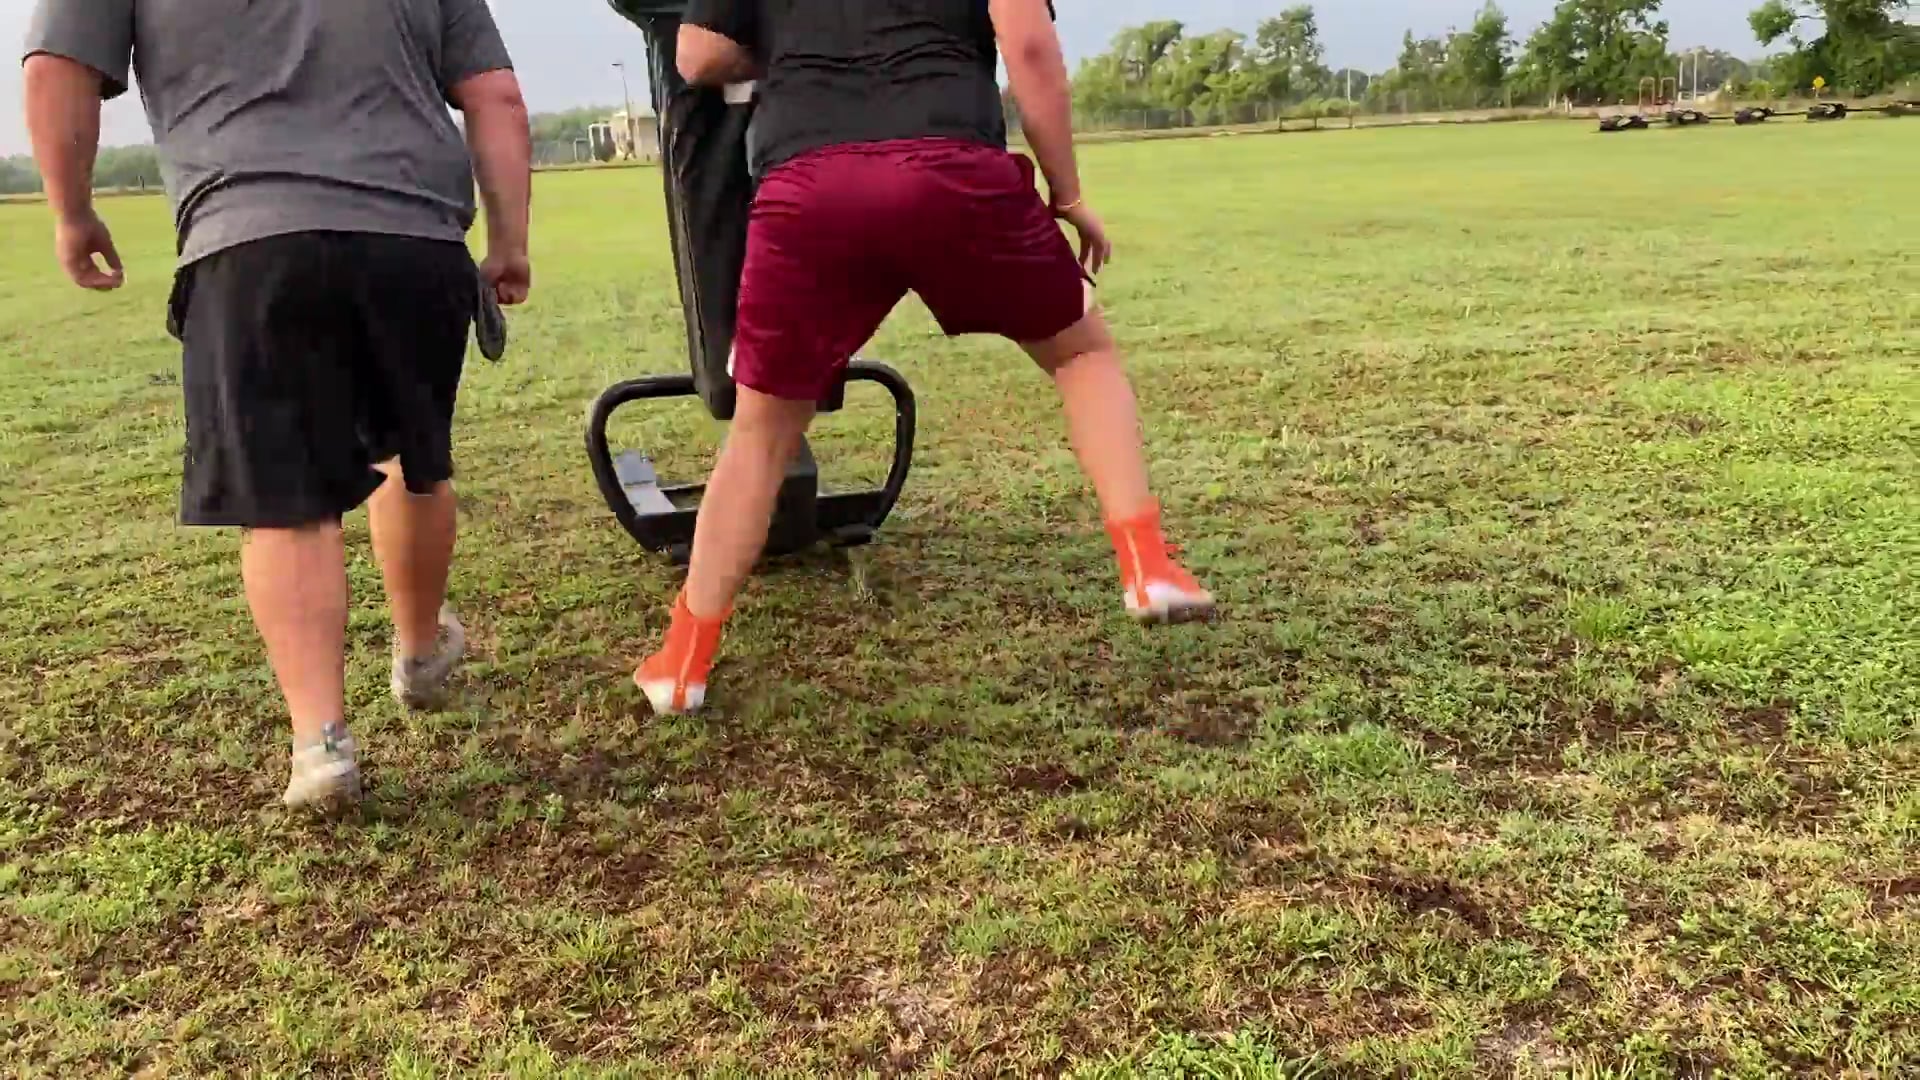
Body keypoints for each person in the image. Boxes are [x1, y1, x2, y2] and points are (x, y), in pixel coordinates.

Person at [22, 0, 534, 811]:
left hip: (250, 238)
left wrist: (72, 212)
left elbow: (58, 67)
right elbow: (494, 94)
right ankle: (420, 653)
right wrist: (509, 239)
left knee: (284, 495)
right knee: (413, 455)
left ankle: (322, 744)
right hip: (415, 240)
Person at [635, 0, 1215, 715]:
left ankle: (682, 660)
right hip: (952, 168)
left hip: (809, 185)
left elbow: (696, 54)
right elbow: (1031, 49)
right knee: (1081, 354)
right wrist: (1066, 195)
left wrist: (795, 56)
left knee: (761, 434)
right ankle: (1148, 565)